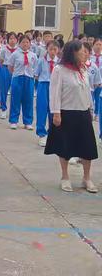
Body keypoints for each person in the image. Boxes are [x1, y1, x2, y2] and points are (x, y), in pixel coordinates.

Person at [45, 40, 98, 193]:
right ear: (73, 53)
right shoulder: (59, 70)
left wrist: (91, 109)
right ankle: (65, 177)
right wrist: (56, 112)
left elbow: (87, 91)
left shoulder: (83, 70)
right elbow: (54, 92)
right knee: (65, 147)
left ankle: (86, 178)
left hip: (83, 112)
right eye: (82, 52)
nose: (85, 54)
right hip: (66, 112)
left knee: (88, 147)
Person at [7, 36, 38, 130]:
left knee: (28, 100)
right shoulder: (15, 54)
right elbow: (10, 67)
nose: (25, 44)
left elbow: (35, 67)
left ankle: (27, 122)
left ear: (30, 44)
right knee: (15, 99)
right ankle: (14, 121)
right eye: (23, 42)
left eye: (27, 42)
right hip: (17, 78)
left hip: (29, 78)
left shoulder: (33, 55)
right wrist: (16, 74)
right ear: (19, 43)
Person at [35, 41, 60, 147]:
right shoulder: (41, 60)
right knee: (42, 108)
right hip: (43, 84)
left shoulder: (60, 62)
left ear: (58, 50)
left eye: (55, 49)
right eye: (50, 49)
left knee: (53, 109)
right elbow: (36, 74)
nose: (53, 52)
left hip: (55, 87)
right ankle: (41, 134)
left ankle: (52, 133)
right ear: (47, 49)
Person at [0, 32, 18, 120]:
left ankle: (13, 111)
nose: (12, 40)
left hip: (16, 70)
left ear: (17, 40)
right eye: (10, 38)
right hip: (5, 69)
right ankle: (3, 109)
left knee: (15, 91)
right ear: (7, 40)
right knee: (4, 90)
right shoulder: (3, 49)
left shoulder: (18, 50)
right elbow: (1, 61)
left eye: (14, 38)